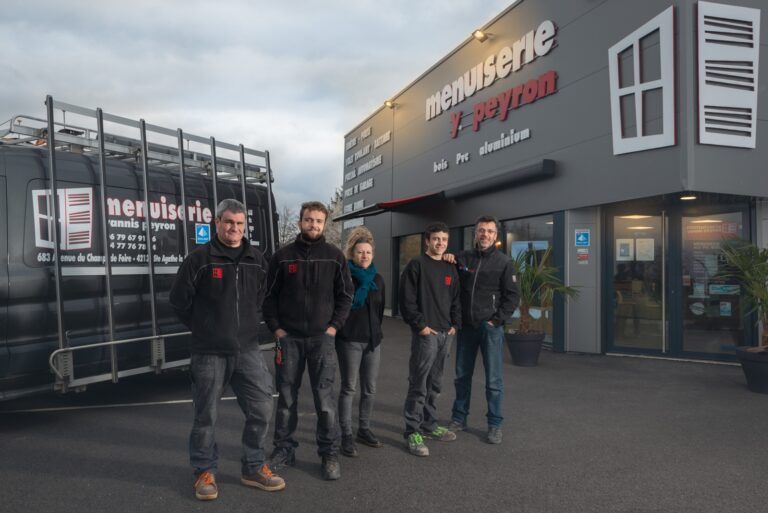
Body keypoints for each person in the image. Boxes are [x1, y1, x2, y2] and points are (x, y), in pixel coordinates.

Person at [170, 198, 285, 501]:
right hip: (208, 352)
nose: (234, 228)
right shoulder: (199, 259)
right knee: (205, 416)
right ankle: (204, 471)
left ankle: (253, 466)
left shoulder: (257, 259)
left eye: (239, 223)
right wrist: (204, 327)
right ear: (217, 223)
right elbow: (179, 301)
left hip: (247, 349)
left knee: (262, 407)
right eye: (228, 222)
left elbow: (261, 297)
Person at [263, 201, 353, 480]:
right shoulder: (282, 257)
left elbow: (345, 296)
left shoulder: (335, 257)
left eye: (318, 221)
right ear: (300, 222)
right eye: (308, 220)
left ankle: (329, 453)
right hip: (288, 339)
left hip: (321, 340)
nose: (313, 225)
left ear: (325, 224)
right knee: (287, 399)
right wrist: (276, 328)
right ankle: (284, 449)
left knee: (324, 401)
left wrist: (333, 328)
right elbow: (268, 297)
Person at [446, 216, 519, 444]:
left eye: (489, 231)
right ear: (475, 234)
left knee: (494, 380)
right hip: (467, 328)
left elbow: (512, 296)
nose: (485, 235)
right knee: (461, 376)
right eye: (481, 231)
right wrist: (449, 258)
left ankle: (495, 424)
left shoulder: (504, 262)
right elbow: (451, 280)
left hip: (490, 329)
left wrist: (496, 320)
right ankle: (459, 418)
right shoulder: (463, 258)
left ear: (495, 235)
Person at [399, 222, 461, 457]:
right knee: (419, 382)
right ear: (427, 241)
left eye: (444, 239)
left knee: (435, 383)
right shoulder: (416, 265)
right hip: (426, 334)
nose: (440, 243)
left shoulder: (450, 267)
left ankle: (429, 424)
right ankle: (412, 431)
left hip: (446, 334)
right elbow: (407, 300)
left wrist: (455, 325)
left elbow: (456, 299)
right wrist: (421, 327)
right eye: (436, 239)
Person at [335, 227, 385, 457]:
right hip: (350, 341)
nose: (364, 256)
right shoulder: (345, 276)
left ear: (372, 254)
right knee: (349, 388)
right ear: (352, 254)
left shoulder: (378, 279)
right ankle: (345, 434)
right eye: (360, 252)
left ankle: (363, 428)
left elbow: (380, 311)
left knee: (370, 389)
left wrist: (375, 332)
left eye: (368, 252)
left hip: (373, 341)